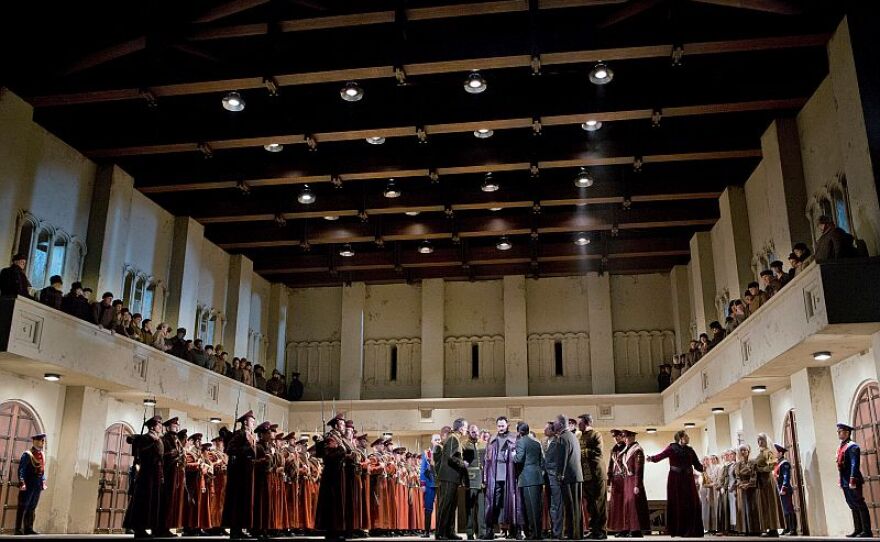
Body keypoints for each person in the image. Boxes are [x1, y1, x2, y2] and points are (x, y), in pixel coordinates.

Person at [647, 430, 703, 537]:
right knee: (677, 502)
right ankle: (678, 530)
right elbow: (661, 455)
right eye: (686, 436)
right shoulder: (672, 448)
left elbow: (697, 464)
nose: (688, 437)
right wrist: (652, 458)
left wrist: (705, 468)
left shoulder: (690, 450)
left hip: (688, 479)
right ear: (680, 438)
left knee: (690, 502)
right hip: (675, 479)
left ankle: (691, 530)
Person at [123, 415, 165, 539]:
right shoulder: (145, 438)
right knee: (143, 500)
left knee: (153, 501)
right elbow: (140, 451)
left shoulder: (158, 439)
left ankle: (151, 527)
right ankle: (139, 528)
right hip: (147, 473)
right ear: (152, 426)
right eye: (158, 425)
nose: (160, 427)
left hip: (156, 472)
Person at [483, 416, 520, 539]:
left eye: (503, 426)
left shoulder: (514, 438)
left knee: (512, 503)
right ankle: (490, 531)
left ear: (507, 425)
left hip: (510, 476)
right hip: (495, 476)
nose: (501, 428)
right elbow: (486, 460)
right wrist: (485, 477)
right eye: (499, 426)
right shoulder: (492, 439)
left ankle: (514, 531)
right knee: (493, 503)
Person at [316, 414, 350, 541]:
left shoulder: (340, 438)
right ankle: (333, 530)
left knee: (339, 502)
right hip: (332, 474)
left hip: (340, 472)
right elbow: (329, 453)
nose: (344, 426)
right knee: (333, 502)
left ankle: (339, 529)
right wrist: (342, 451)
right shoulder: (331, 437)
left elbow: (347, 450)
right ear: (336, 425)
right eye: (341, 424)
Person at [224, 410, 257, 539]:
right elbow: (230, 449)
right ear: (245, 422)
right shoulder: (240, 434)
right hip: (239, 473)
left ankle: (241, 527)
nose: (253, 423)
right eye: (251, 421)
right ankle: (235, 529)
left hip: (247, 472)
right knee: (237, 501)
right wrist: (246, 449)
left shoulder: (251, 435)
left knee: (245, 501)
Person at [837, 422, 872, 537]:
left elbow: (854, 464)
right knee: (851, 504)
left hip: (853, 480)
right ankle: (858, 529)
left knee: (859, 503)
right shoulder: (841, 446)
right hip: (845, 480)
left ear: (847, 433)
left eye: (840, 431)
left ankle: (866, 530)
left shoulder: (852, 446)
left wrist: (852, 479)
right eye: (838, 431)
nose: (838, 433)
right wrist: (841, 480)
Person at [438, 418, 469, 540]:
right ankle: (440, 533)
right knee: (445, 505)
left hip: (453, 477)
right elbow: (451, 457)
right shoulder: (452, 438)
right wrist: (463, 463)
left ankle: (449, 532)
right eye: (465, 427)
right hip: (448, 477)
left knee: (452, 506)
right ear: (460, 428)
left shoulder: (456, 439)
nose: (466, 429)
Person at [578, 414, 607, 539]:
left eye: (580, 422)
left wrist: (582, 452)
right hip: (585, 475)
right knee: (590, 504)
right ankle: (593, 529)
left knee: (598, 503)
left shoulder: (596, 434)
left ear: (586, 422)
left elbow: (598, 451)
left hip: (597, 474)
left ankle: (601, 531)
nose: (578, 425)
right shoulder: (580, 436)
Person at [514, 422, 544, 540]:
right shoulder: (536, 442)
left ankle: (534, 534)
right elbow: (542, 460)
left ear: (519, 431)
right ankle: (537, 532)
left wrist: (512, 455)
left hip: (527, 478)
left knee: (530, 508)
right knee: (537, 507)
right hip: (537, 477)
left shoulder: (521, 442)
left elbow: (519, 459)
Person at [156, 417, 185, 537]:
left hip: (175, 472)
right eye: (174, 425)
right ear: (168, 427)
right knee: (165, 500)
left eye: (177, 425)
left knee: (172, 501)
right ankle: (161, 528)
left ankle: (167, 526)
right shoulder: (165, 439)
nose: (177, 426)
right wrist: (174, 454)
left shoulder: (176, 439)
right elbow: (162, 455)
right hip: (167, 473)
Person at [14, 433, 47, 535]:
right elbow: (22, 469)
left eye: (43, 441)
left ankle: (29, 528)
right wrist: (22, 482)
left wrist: (43, 480)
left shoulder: (42, 454)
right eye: (41, 440)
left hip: (37, 484)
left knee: (32, 506)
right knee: (23, 506)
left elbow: (42, 469)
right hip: (28, 483)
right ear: (35, 441)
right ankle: (18, 529)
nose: (42, 442)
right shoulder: (27, 454)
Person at [618, 430, 649, 538]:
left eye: (626, 437)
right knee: (627, 505)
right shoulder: (628, 449)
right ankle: (627, 528)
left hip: (633, 480)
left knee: (634, 505)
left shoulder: (637, 450)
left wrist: (637, 484)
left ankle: (636, 530)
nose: (625, 439)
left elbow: (639, 469)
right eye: (624, 437)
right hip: (628, 479)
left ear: (632, 437)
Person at [754, 433, 782, 537]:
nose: (760, 442)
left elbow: (773, 466)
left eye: (762, 440)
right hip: (761, 481)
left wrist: (760, 469)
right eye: (758, 440)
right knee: (764, 504)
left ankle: (773, 528)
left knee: (770, 504)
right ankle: (768, 527)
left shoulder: (768, 452)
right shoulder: (761, 453)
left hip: (767, 481)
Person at [462, 426, 486, 540]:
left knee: (481, 508)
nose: (475, 433)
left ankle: (481, 532)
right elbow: (463, 465)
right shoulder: (464, 445)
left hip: (481, 479)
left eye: (476, 431)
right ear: (468, 433)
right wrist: (464, 480)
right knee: (470, 508)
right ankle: (470, 532)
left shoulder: (483, 444)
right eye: (472, 432)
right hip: (470, 479)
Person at [734, 444, 760, 536]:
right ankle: (746, 529)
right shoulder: (738, 464)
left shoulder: (752, 462)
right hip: (742, 487)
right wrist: (740, 484)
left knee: (753, 507)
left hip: (752, 487)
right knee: (744, 508)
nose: (743, 452)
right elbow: (737, 476)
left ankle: (755, 530)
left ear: (748, 451)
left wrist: (749, 484)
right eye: (741, 450)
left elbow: (754, 474)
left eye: (745, 450)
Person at [773, 444, 797, 536]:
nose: (774, 454)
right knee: (784, 510)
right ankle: (786, 528)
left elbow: (786, 477)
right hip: (779, 489)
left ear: (780, 453)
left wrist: (783, 488)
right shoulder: (778, 463)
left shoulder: (784, 463)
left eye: (776, 452)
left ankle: (793, 529)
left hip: (784, 490)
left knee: (789, 509)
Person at [606, 429, 626, 536]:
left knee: (623, 504)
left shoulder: (626, 448)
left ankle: (624, 528)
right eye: (614, 437)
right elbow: (610, 466)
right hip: (615, 479)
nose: (616, 438)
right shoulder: (613, 449)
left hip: (624, 479)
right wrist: (608, 482)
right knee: (615, 505)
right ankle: (617, 528)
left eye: (618, 436)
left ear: (622, 436)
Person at [421, 434, 441, 538]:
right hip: (429, 483)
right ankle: (427, 531)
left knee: (441, 508)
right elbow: (423, 469)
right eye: (436, 440)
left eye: (439, 439)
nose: (438, 441)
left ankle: (441, 531)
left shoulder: (443, 452)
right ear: (432, 441)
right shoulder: (426, 454)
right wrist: (423, 484)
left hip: (440, 483)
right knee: (428, 508)